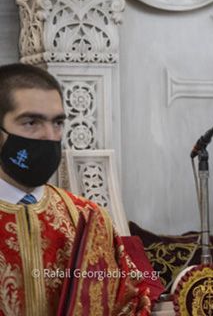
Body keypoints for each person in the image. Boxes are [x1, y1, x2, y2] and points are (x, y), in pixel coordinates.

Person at [0, 63, 151, 315]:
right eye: (31, 122)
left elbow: (129, 302)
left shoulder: (88, 217)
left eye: (58, 122)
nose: (50, 135)